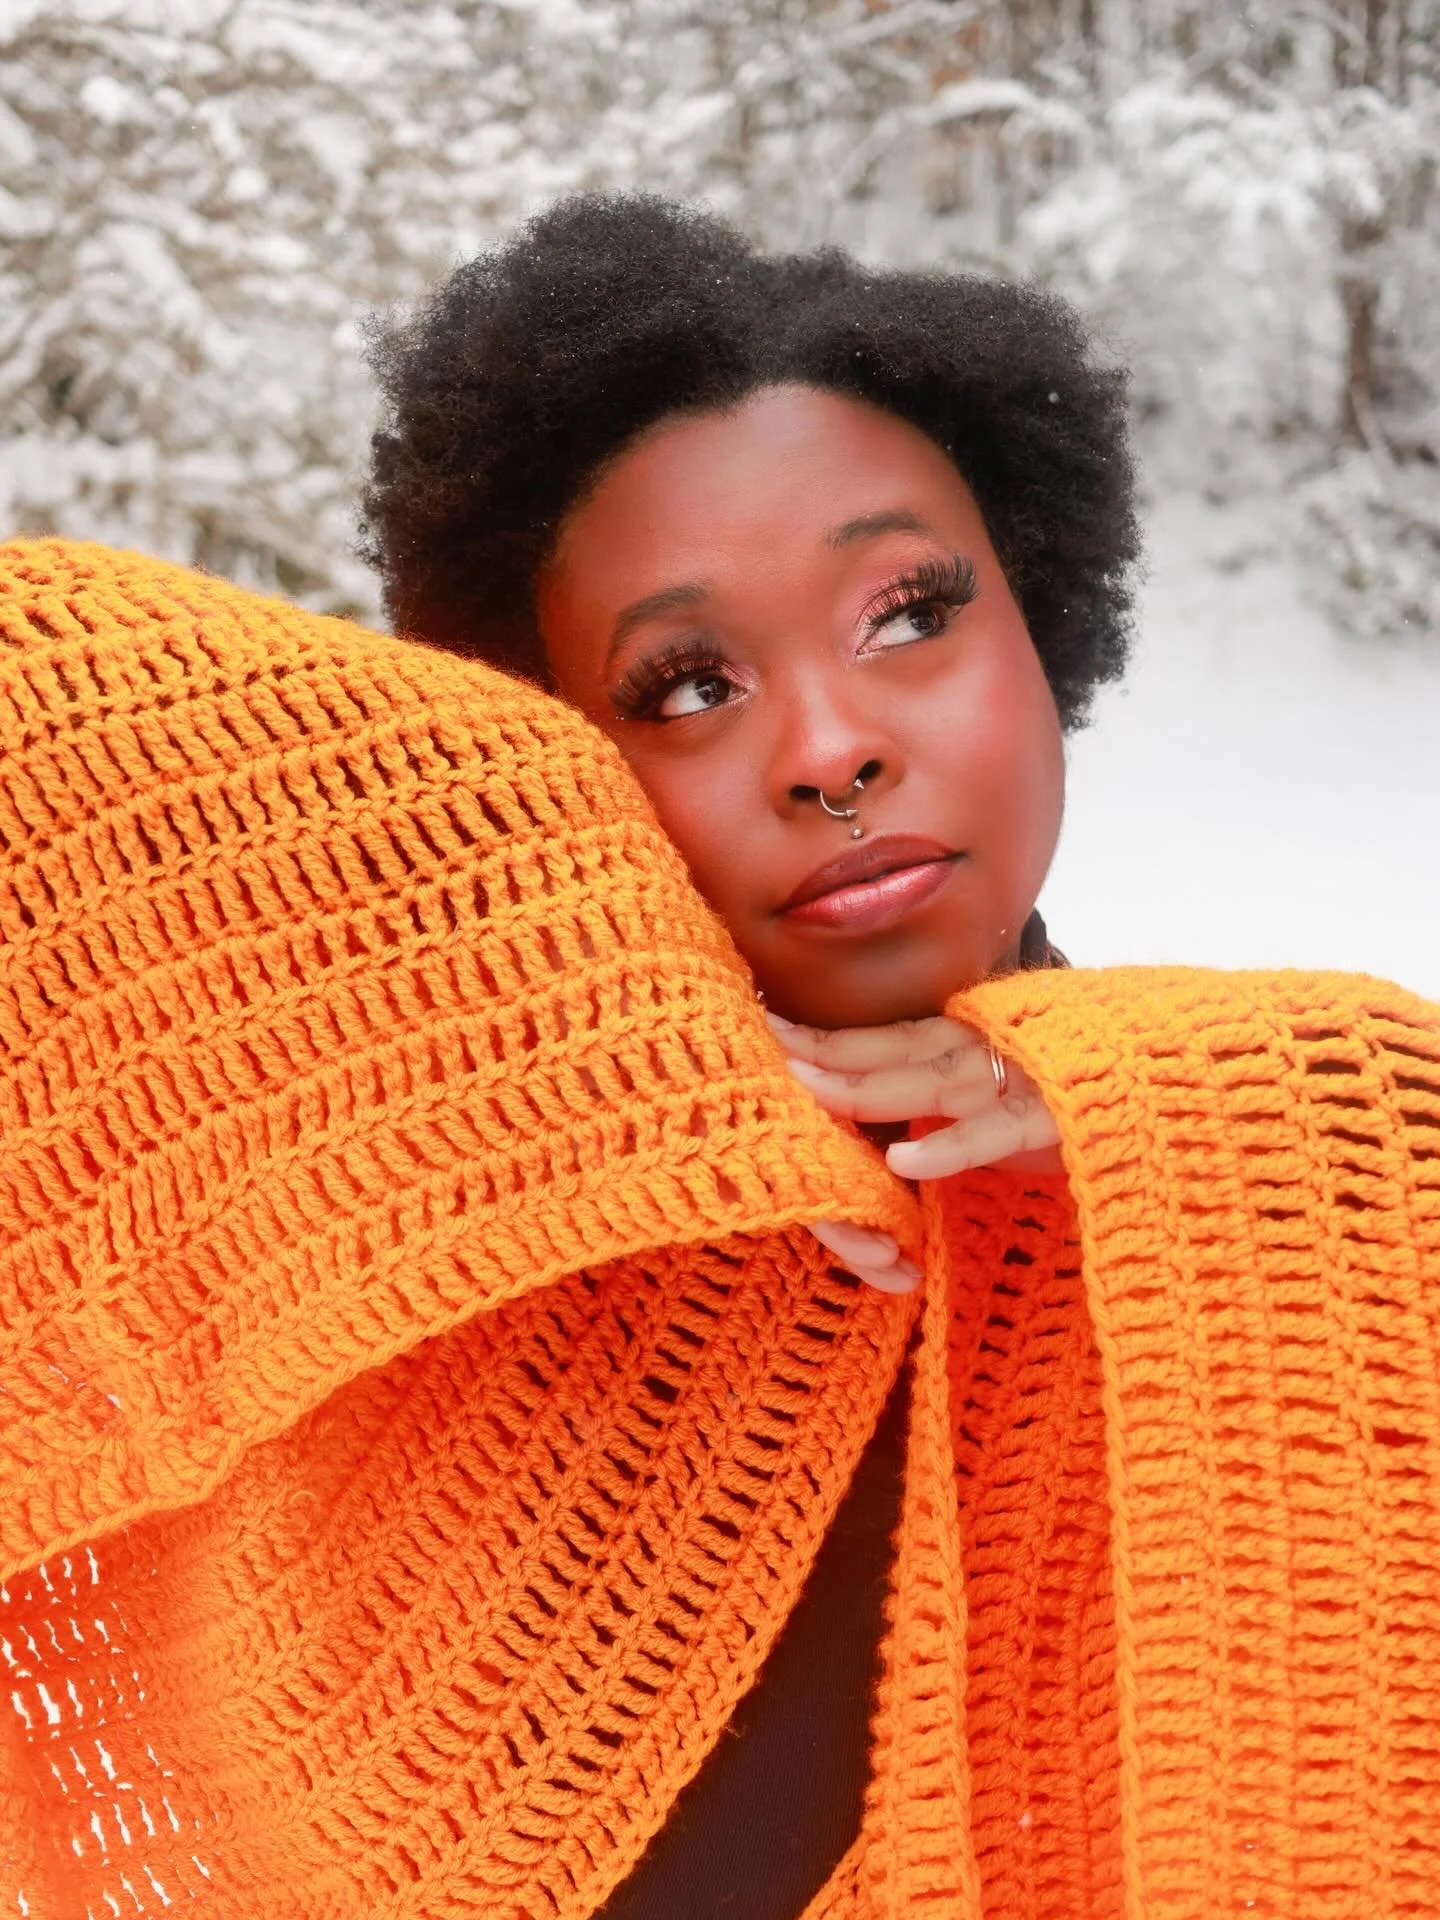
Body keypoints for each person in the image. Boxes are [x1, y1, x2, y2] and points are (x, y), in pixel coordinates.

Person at [0, 197, 1436, 1920]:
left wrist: (1208, 1105)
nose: (831, 749)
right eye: (684, 686)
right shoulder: (389, 1244)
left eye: (906, 612)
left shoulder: (1334, 1189)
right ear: (544, 757)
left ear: (1045, 627)